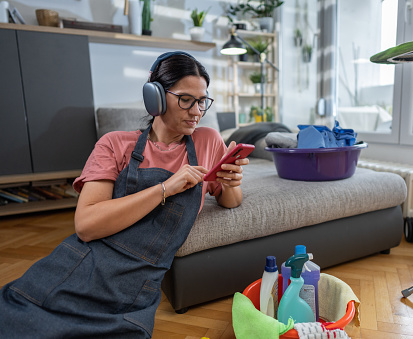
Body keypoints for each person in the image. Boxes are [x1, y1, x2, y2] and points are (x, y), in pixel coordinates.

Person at [0, 51, 249, 338]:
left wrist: (231, 181)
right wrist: (165, 188)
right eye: (185, 100)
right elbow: (86, 225)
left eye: (202, 101)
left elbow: (231, 201)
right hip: (82, 271)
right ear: (155, 97)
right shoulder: (115, 144)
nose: (196, 111)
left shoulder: (208, 141)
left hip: (135, 291)